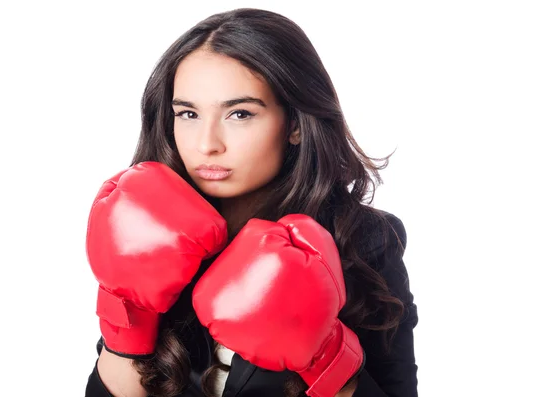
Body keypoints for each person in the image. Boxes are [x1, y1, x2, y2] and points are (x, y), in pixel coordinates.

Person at [84, 7, 418, 397]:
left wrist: (324, 359)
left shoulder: (365, 241)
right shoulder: (145, 226)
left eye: (240, 113)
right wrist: (127, 311)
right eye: (188, 113)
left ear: (294, 124)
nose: (207, 144)